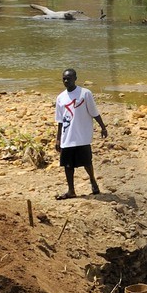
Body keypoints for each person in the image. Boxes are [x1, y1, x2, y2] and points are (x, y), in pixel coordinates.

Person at [54, 67, 108, 199]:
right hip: (67, 136)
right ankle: (71, 190)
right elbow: (60, 120)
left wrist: (103, 127)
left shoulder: (85, 93)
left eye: (69, 78)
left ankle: (93, 181)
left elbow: (94, 112)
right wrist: (58, 139)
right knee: (67, 165)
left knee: (87, 162)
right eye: (64, 79)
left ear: (75, 79)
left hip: (82, 136)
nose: (66, 81)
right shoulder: (60, 98)